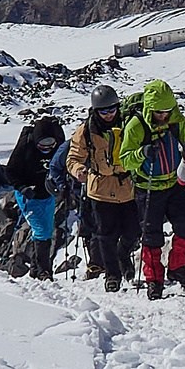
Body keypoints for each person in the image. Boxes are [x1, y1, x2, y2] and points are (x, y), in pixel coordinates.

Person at [114, 78, 185, 301]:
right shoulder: (136, 125)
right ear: (150, 109)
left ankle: (178, 267)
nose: (164, 115)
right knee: (152, 236)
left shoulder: (176, 120)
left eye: (168, 110)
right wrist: (142, 153)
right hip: (147, 187)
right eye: (160, 112)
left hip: (174, 182)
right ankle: (154, 280)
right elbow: (124, 160)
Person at [66, 85, 140, 292]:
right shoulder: (86, 130)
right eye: (103, 111)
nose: (108, 115)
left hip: (127, 187)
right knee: (105, 235)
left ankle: (123, 254)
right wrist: (79, 170)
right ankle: (112, 275)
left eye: (112, 110)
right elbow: (73, 157)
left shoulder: (128, 124)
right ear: (95, 110)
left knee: (133, 232)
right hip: (99, 189)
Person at [3, 115, 65, 279]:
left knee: (47, 229)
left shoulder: (58, 145)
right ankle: (44, 271)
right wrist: (22, 188)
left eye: (50, 144)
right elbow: (10, 171)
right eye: (42, 144)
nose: (46, 148)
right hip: (28, 196)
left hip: (48, 194)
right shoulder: (26, 147)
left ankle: (36, 270)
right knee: (42, 231)